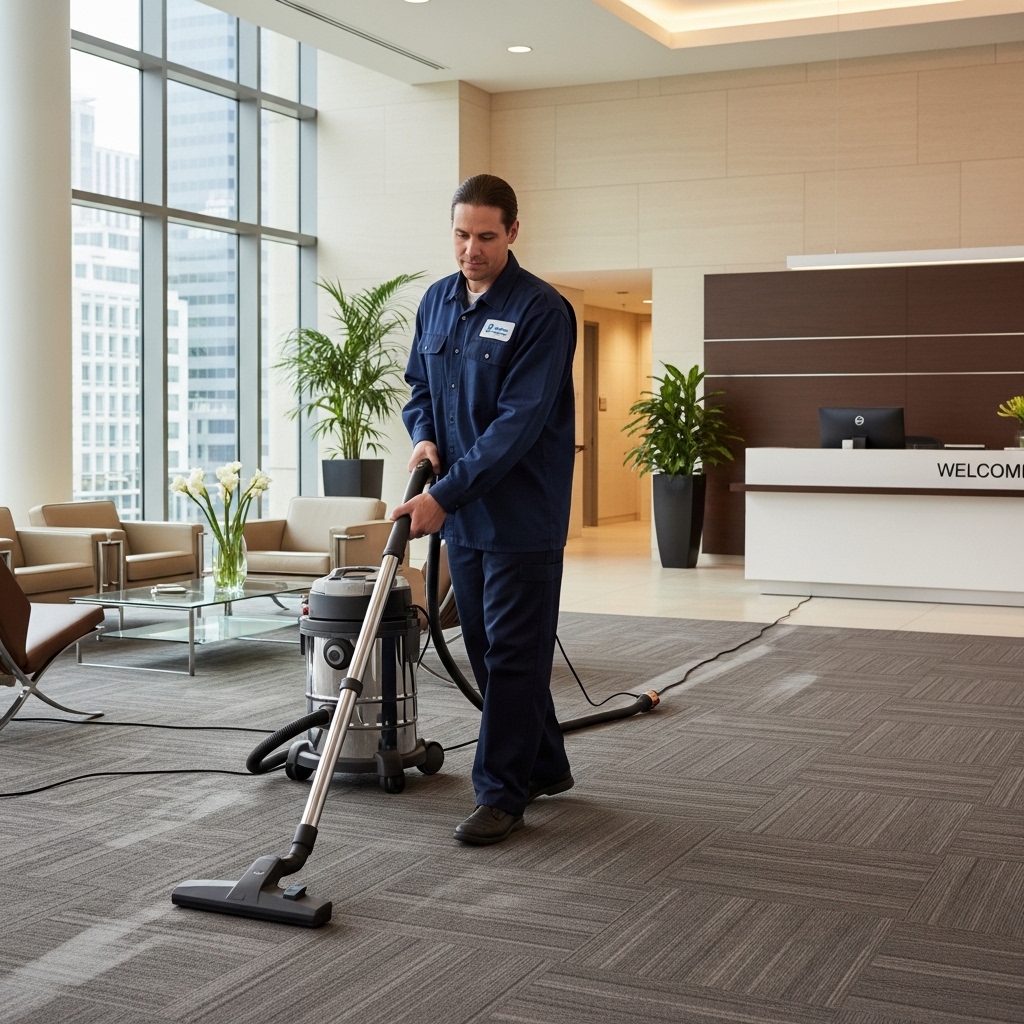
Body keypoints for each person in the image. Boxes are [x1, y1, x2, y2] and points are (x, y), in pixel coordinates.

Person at [392, 174, 577, 845]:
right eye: (462, 234)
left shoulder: (541, 312)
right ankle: (547, 763)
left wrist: (441, 496)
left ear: (514, 233)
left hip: (521, 517)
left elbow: (516, 427)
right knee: (490, 652)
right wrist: (424, 436)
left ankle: (501, 792)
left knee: (515, 654)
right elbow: (420, 386)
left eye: (486, 236)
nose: (471, 249)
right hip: (464, 517)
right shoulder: (438, 302)